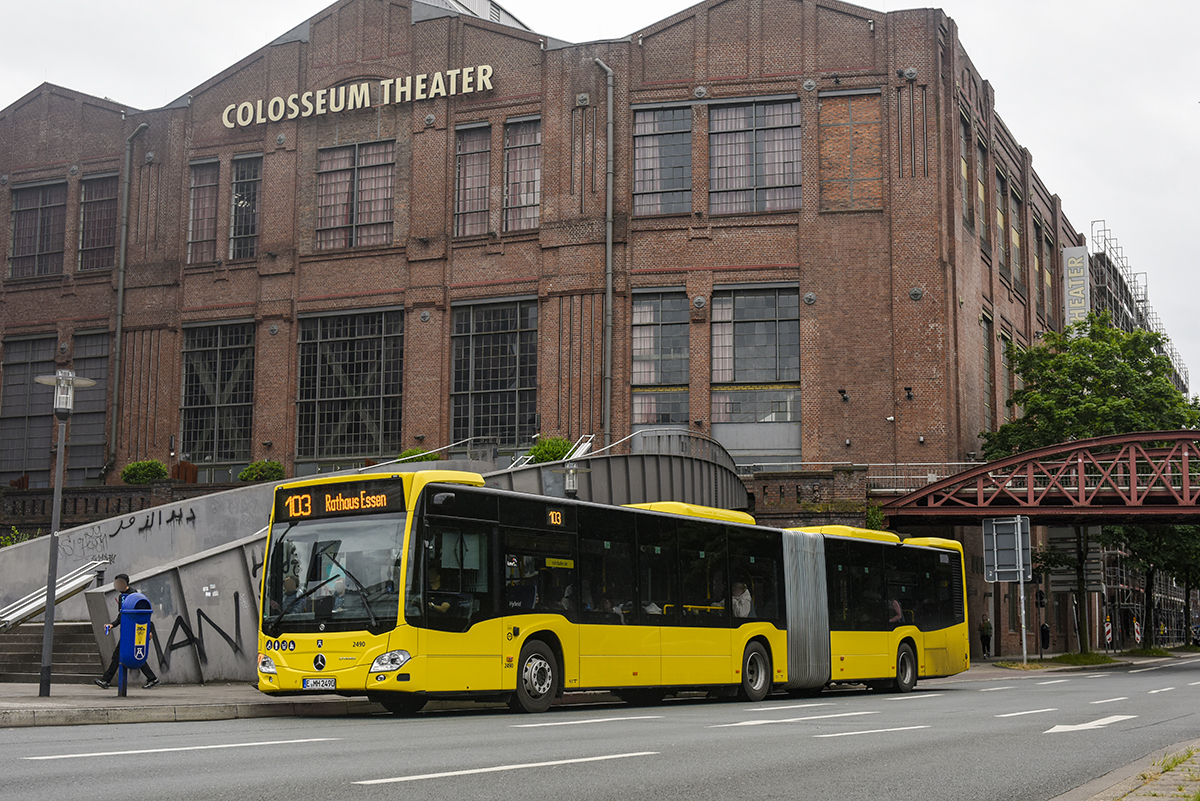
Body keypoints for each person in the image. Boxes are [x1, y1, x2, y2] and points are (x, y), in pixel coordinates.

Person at [94, 573, 159, 690]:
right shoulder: (122, 596)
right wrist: (112, 624)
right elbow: (122, 615)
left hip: (132, 631)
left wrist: (148, 630)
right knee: (132, 654)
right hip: (127, 630)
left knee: (123, 654)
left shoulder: (134, 596)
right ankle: (152, 678)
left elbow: (143, 615)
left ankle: (106, 680)